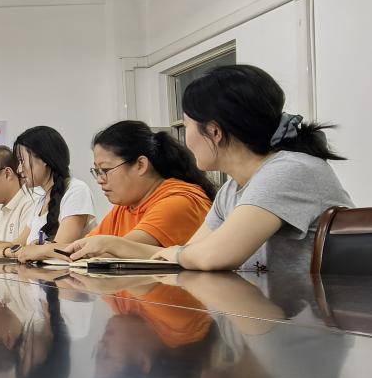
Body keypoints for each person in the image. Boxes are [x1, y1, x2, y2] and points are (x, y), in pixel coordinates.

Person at [149, 65, 352, 272]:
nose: (185, 139)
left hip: (325, 295)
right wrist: (181, 254)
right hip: (266, 294)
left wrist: (178, 253)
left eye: (186, 126)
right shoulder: (230, 191)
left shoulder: (289, 170)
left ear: (214, 131)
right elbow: (195, 253)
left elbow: (214, 255)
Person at [61, 121, 215, 261]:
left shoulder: (179, 202)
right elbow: (81, 248)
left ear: (141, 165)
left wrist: (105, 245)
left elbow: (111, 254)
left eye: (105, 170)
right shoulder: (125, 206)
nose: (100, 180)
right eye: (97, 171)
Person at [3, 126, 96, 263]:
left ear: (44, 159)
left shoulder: (76, 190)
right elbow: (17, 244)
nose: (19, 169)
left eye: (22, 160)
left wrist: (13, 252)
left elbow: (59, 251)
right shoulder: (41, 200)